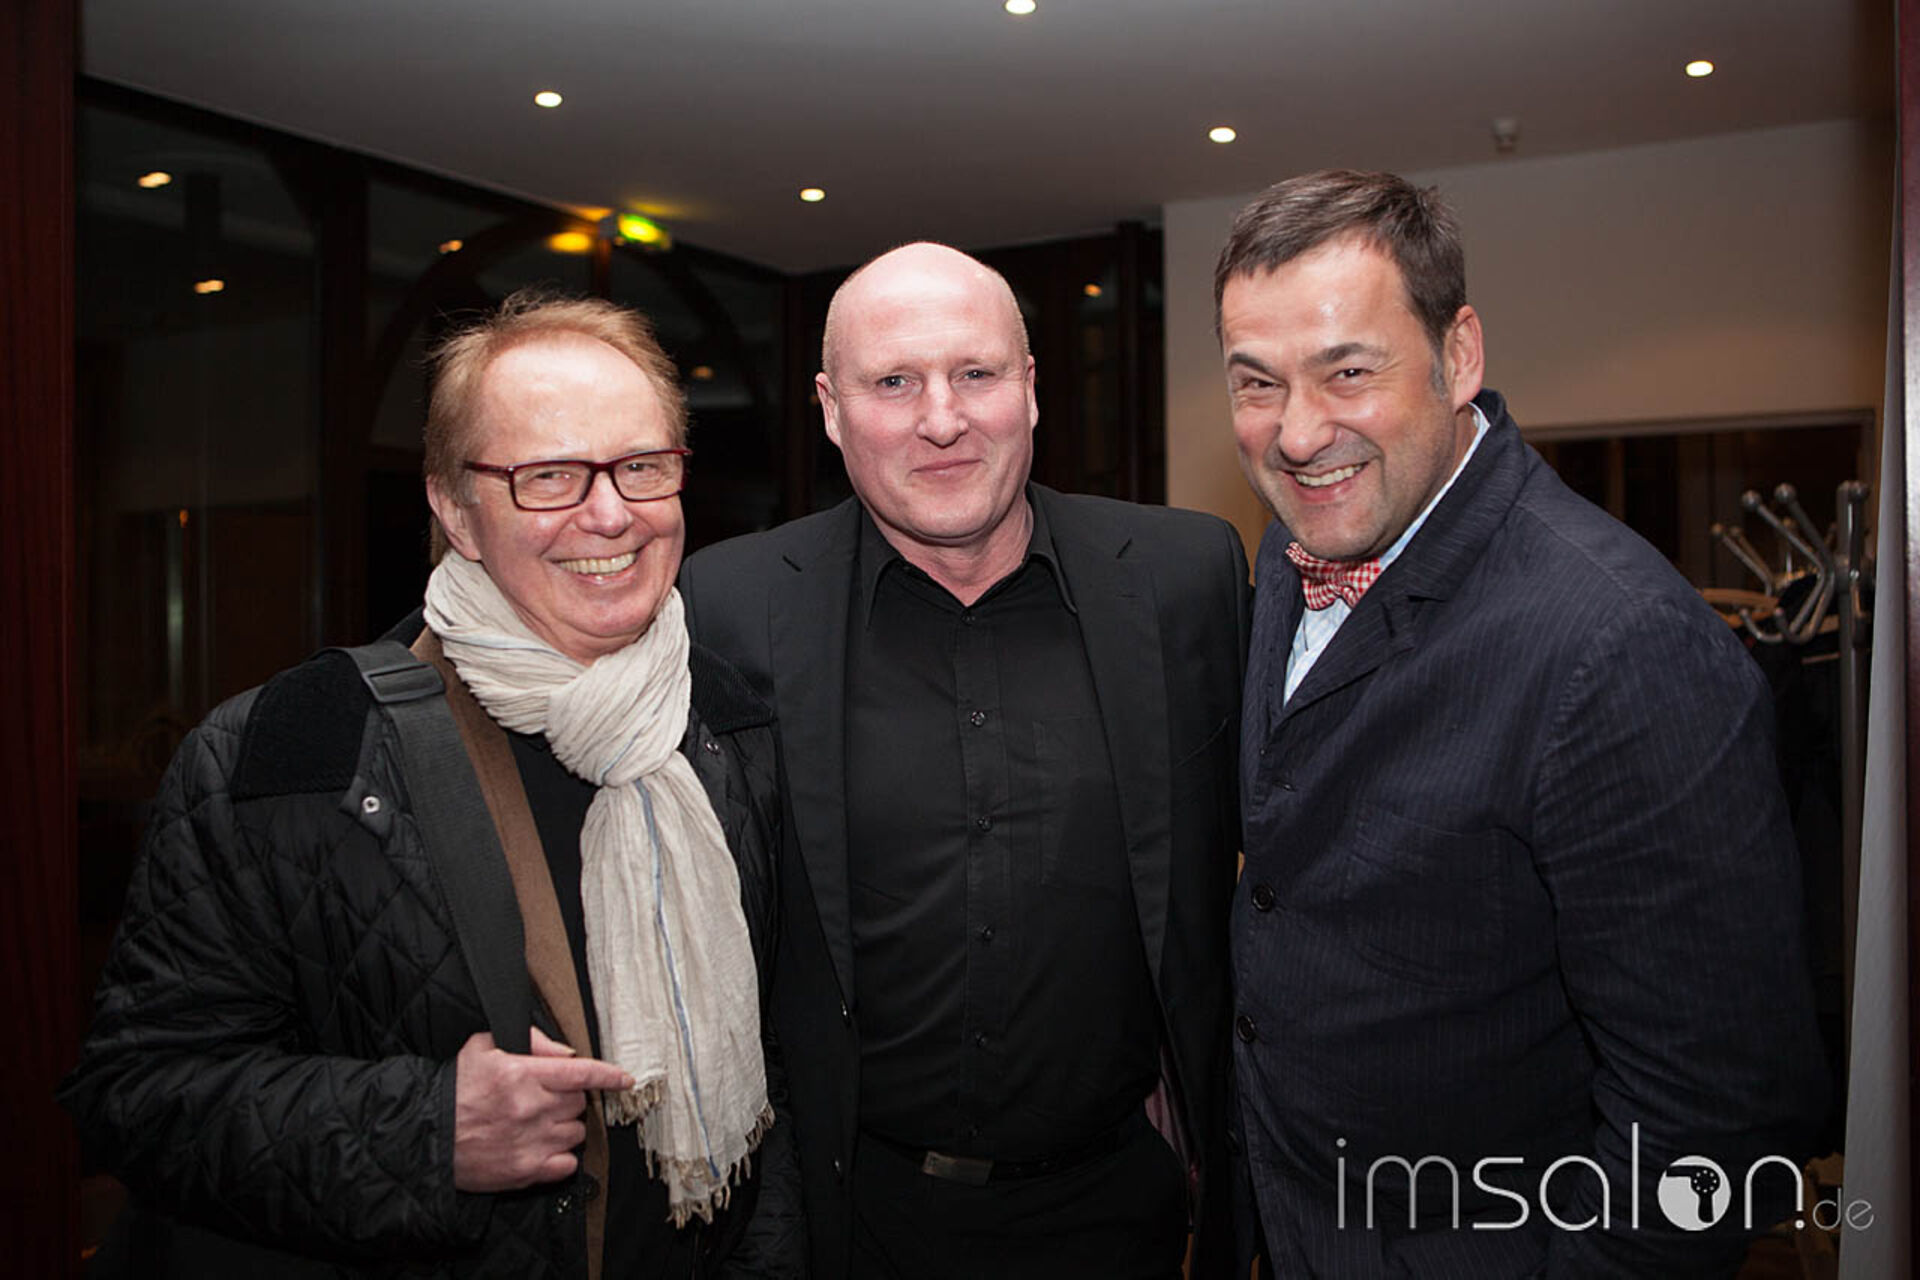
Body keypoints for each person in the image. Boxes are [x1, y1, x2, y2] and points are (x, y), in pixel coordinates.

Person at [60, 292, 801, 1279]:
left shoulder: (731, 728)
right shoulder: (288, 754)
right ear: (455, 509)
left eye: (641, 465)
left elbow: (778, 1075)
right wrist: (427, 1131)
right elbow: (138, 1096)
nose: (610, 512)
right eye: (548, 476)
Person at [1215, 169, 1827, 1276]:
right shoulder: (1291, 550)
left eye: (1348, 371)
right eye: (1257, 383)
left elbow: (1715, 1123)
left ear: (1459, 356)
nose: (1297, 434)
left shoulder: (1622, 645)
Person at [678, 242, 1248, 1279]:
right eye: (894, 382)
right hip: (854, 1216)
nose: (941, 419)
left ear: (1030, 387)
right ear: (831, 408)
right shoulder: (726, 607)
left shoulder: (1185, 577)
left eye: (975, 373)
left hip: (1120, 1206)